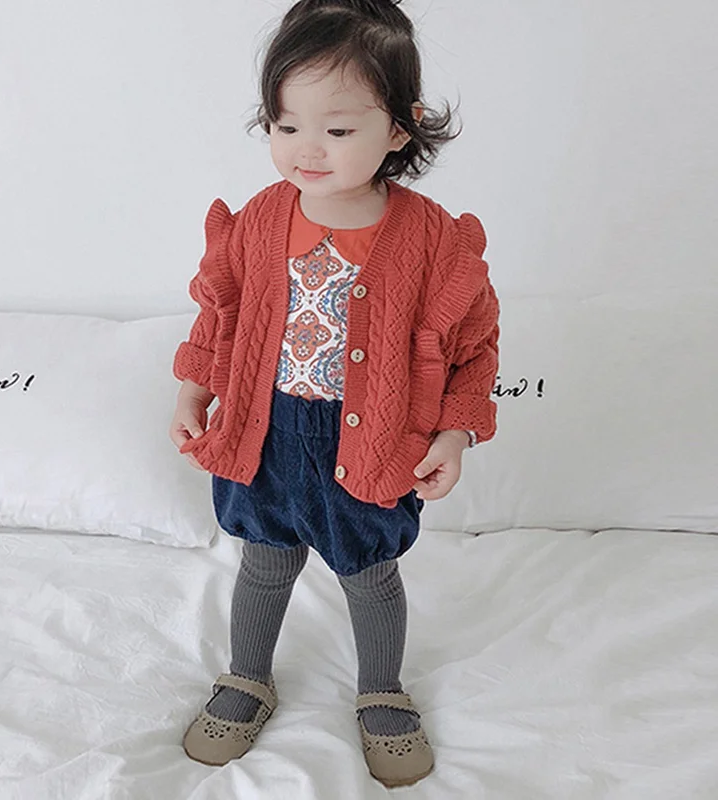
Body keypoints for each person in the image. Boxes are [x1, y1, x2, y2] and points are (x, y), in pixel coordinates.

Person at [169, 0, 499, 788]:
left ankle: (381, 690)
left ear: (402, 128)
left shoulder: (431, 240)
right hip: (266, 432)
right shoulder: (259, 220)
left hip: (375, 439)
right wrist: (193, 387)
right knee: (263, 561)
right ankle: (247, 677)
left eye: (338, 129)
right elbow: (220, 311)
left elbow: (473, 348)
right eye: (284, 124)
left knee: (370, 573)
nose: (305, 148)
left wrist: (454, 434)